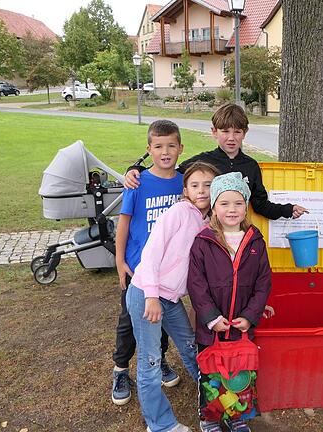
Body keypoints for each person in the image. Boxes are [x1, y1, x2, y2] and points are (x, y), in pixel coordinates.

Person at [127, 161, 221, 432]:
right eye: (195, 185)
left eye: (208, 185)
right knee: (151, 360)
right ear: (186, 190)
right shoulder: (179, 212)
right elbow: (152, 253)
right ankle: (160, 425)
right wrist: (151, 297)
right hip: (147, 294)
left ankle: (214, 399)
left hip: (171, 299)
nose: (202, 191)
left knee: (192, 346)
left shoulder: (207, 222)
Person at [187, 172, 272, 432]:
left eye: (238, 203)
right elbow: (196, 284)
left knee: (240, 376)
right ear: (214, 207)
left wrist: (250, 315)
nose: (232, 209)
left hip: (241, 326)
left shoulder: (255, 241)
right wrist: (211, 318)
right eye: (224, 203)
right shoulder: (203, 242)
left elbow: (263, 282)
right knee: (212, 376)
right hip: (211, 328)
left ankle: (236, 417)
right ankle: (210, 418)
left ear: (246, 205)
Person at [123, 103, 307, 220]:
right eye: (225, 131)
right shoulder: (203, 161)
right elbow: (168, 170)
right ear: (214, 132)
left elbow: (260, 205)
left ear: (245, 133)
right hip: (206, 232)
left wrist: (288, 210)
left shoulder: (251, 166)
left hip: (237, 232)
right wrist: (135, 168)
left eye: (237, 132)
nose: (231, 138)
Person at [112, 120, 184, 406]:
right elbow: (124, 223)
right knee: (129, 320)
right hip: (137, 268)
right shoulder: (137, 182)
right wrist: (119, 260)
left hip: (166, 272)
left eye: (171, 146)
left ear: (180, 148)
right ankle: (120, 370)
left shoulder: (184, 182)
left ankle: (160, 360)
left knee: (161, 318)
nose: (165, 152)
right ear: (149, 149)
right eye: (158, 146)